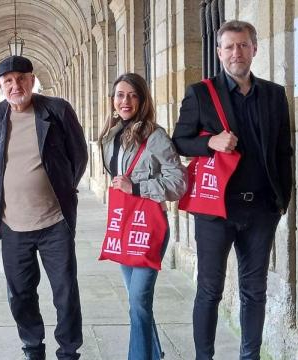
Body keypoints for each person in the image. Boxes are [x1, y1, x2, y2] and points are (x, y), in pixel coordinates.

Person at [172, 20, 293, 360]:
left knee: (254, 291)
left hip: (261, 211)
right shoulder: (201, 92)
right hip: (215, 211)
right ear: (219, 52)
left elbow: (284, 150)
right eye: (229, 46)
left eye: (243, 45)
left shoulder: (273, 94)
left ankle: (249, 356)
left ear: (254, 49)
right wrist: (210, 141)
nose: (236, 52)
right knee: (209, 290)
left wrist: (282, 200)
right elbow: (179, 141)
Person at [0, 55, 88, 360]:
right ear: (0, 86)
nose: (16, 86)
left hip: (54, 222)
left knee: (65, 292)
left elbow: (78, 156)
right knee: (20, 294)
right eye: (9, 81)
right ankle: (32, 347)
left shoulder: (56, 110)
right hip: (13, 224)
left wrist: (63, 189)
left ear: (32, 80)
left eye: (22, 79)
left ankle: (68, 351)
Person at [98, 73, 187, 360]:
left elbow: (178, 182)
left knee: (138, 300)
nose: (126, 101)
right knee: (138, 304)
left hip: (148, 227)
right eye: (121, 94)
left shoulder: (155, 135)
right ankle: (154, 353)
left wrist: (137, 186)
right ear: (113, 99)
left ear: (142, 100)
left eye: (133, 95)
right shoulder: (109, 135)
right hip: (123, 223)